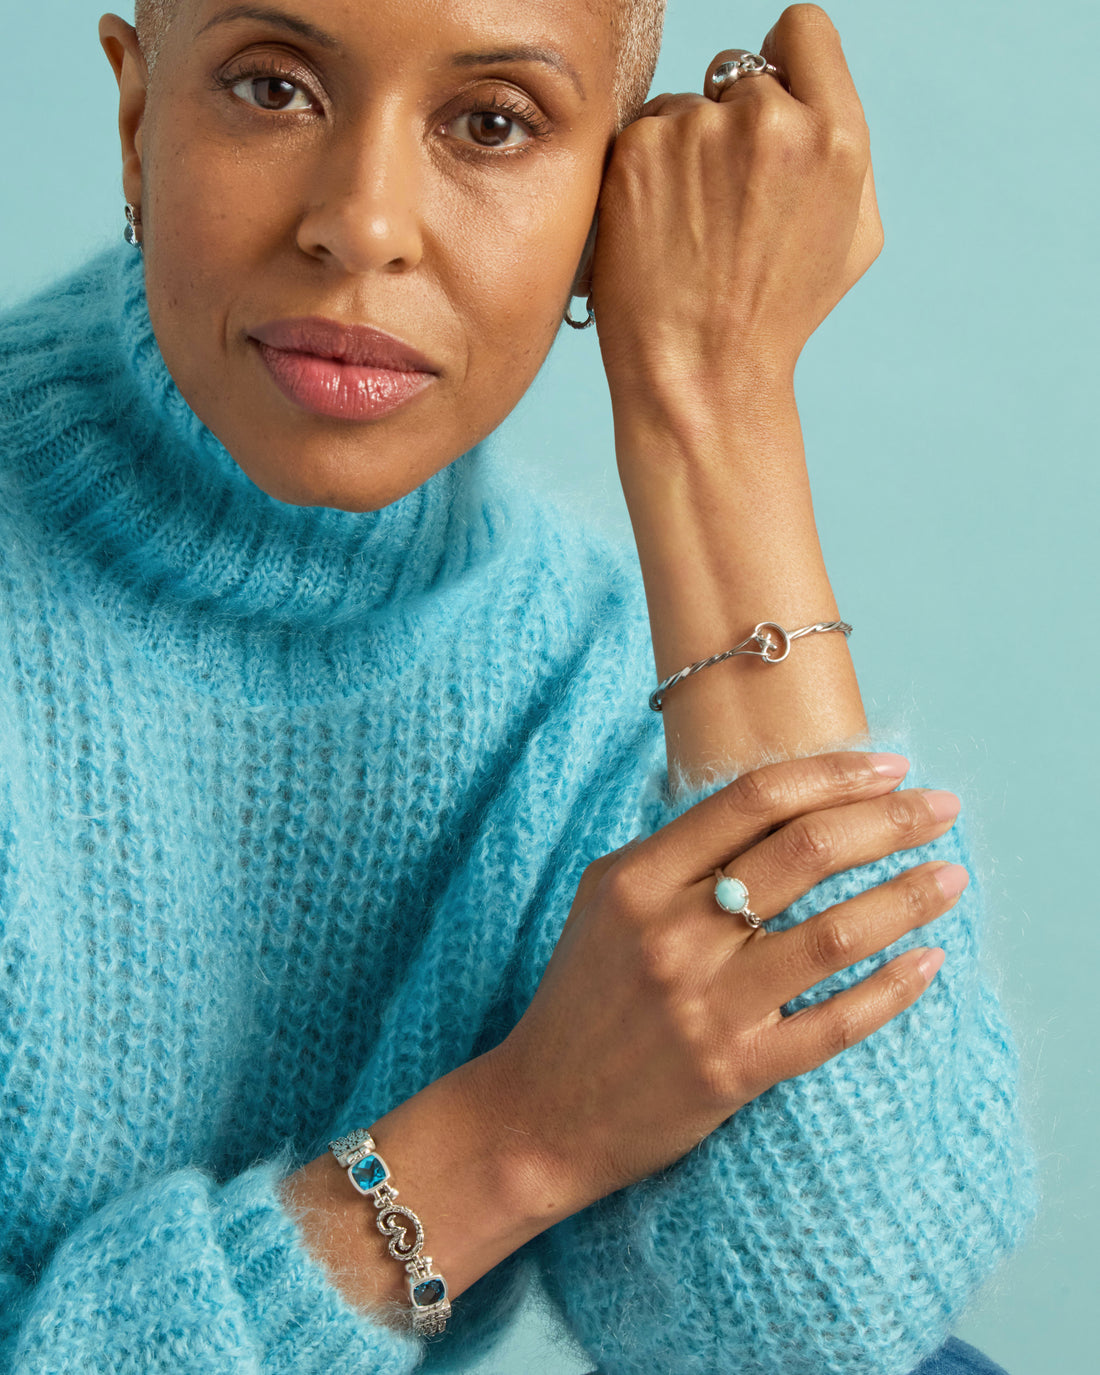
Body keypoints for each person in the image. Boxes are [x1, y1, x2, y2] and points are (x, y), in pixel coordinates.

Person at [0, 1, 1038, 1372]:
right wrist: (510, 1141)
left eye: (492, 124)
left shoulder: (577, 676)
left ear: (609, 212)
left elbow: (835, 1325)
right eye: (272, 87)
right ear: (137, 121)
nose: (363, 224)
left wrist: (713, 414)